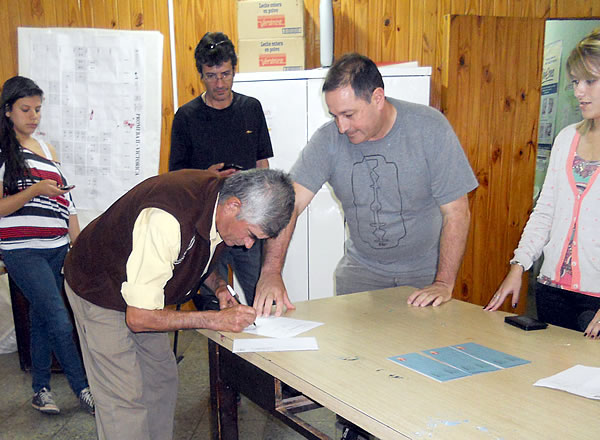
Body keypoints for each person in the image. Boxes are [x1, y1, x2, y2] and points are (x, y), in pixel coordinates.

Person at [63, 168, 294, 440]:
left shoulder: (221, 204)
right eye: (251, 234)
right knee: (123, 397)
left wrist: (220, 288)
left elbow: (197, 256)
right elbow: (138, 317)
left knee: (161, 379)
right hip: (98, 287)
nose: (247, 245)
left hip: (144, 292)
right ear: (234, 206)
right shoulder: (168, 218)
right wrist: (211, 319)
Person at [254, 53, 479, 317]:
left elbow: (456, 212)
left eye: (348, 114)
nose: (341, 127)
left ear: (377, 98)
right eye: (335, 115)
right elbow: (287, 205)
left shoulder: (429, 128)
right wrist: (270, 272)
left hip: (424, 275)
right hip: (361, 273)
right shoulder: (328, 141)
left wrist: (443, 282)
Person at [485, 29, 600, 340]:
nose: (579, 91)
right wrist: (518, 266)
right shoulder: (566, 139)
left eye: (590, 81)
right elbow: (545, 212)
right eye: (576, 82)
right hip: (551, 290)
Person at [0, 76, 94, 415]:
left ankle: (40, 389)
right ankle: (83, 386)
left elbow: (68, 205)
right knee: (58, 318)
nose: (33, 116)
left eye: (38, 109)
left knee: (42, 316)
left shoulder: (46, 148)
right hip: (21, 249)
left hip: (56, 246)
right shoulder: (3, 150)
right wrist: (34, 191)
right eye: (25, 109)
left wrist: (78, 247)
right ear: (8, 110)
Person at [170, 31, 273, 310]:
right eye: (211, 76)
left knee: (259, 294)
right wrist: (208, 177)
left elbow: (263, 165)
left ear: (234, 70)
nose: (219, 83)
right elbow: (175, 180)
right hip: (206, 223)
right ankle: (220, 353)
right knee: (212, 301)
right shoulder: (186, 117)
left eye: (225, 74)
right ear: (200, 75)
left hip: (247, 219)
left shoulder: (251, 109)